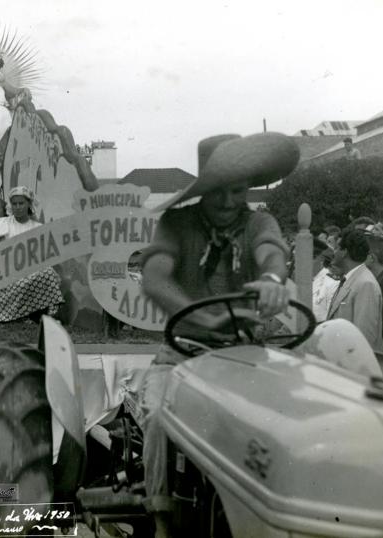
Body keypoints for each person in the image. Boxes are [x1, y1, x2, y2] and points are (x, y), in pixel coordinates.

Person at [138, 133, 298, 537]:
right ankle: (161, 517)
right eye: (218, 193)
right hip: (182, 355)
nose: (228, 202)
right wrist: (199, 318)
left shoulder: (258, 221)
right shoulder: (177, 223)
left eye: (238, 191)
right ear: (203, 190)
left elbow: (270, 251)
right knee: (158, 416)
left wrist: (274, 279)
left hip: (244, 359)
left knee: (288, 423)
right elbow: (155, 276)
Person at [0, 186, 64, 326]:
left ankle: (40, 315)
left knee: (47, 272)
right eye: (14, 204)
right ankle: (7, 314)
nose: (17, 207)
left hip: (27, 271)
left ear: (29, 204)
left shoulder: (37, 227)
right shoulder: (3, 222)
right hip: (5, 271)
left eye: (21, 203)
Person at [327, 228, 383, 349]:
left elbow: (365, 337)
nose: (333, 252)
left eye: (336, 248)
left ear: (344, 252)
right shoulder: (352, 279)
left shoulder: (365, 284)